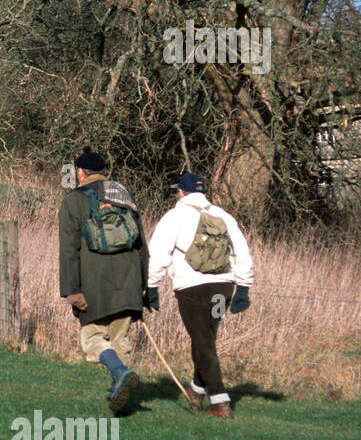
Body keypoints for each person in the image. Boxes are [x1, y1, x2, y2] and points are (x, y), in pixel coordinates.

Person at [145, 172, 255, 418]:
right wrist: (243, 287)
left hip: (192, 290)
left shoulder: (173, 217)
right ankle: (196, 390)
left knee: (203, 341)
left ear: (181, 192)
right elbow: (242, 251)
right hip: (222, 290)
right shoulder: (223, 216)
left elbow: (158, 254)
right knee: (207, 339)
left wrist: (151, 287)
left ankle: (219, 401)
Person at [59, 147, 149, 412]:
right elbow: (141, 244)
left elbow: (68, 250)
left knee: (93, 338)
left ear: (80, 172)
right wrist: (145, 287)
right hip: (129, 282)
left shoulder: (73, 200)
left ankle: (120, 373)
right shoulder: (123, 194)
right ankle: (119, 399)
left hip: (94, 284)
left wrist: (71, 290)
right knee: (119, 339)